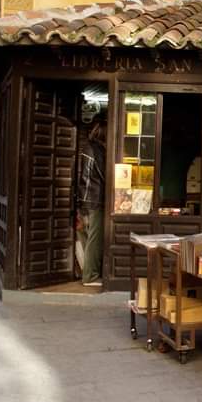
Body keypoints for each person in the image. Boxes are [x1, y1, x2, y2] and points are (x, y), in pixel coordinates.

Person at [78, 121, 106, 286]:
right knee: (94, 239)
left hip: (86, 199)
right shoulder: (98, 150)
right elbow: (104, 175)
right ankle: (90, 276)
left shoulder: (86, 147)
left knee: (88, 238)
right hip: (95, 199)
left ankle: (88, 273)